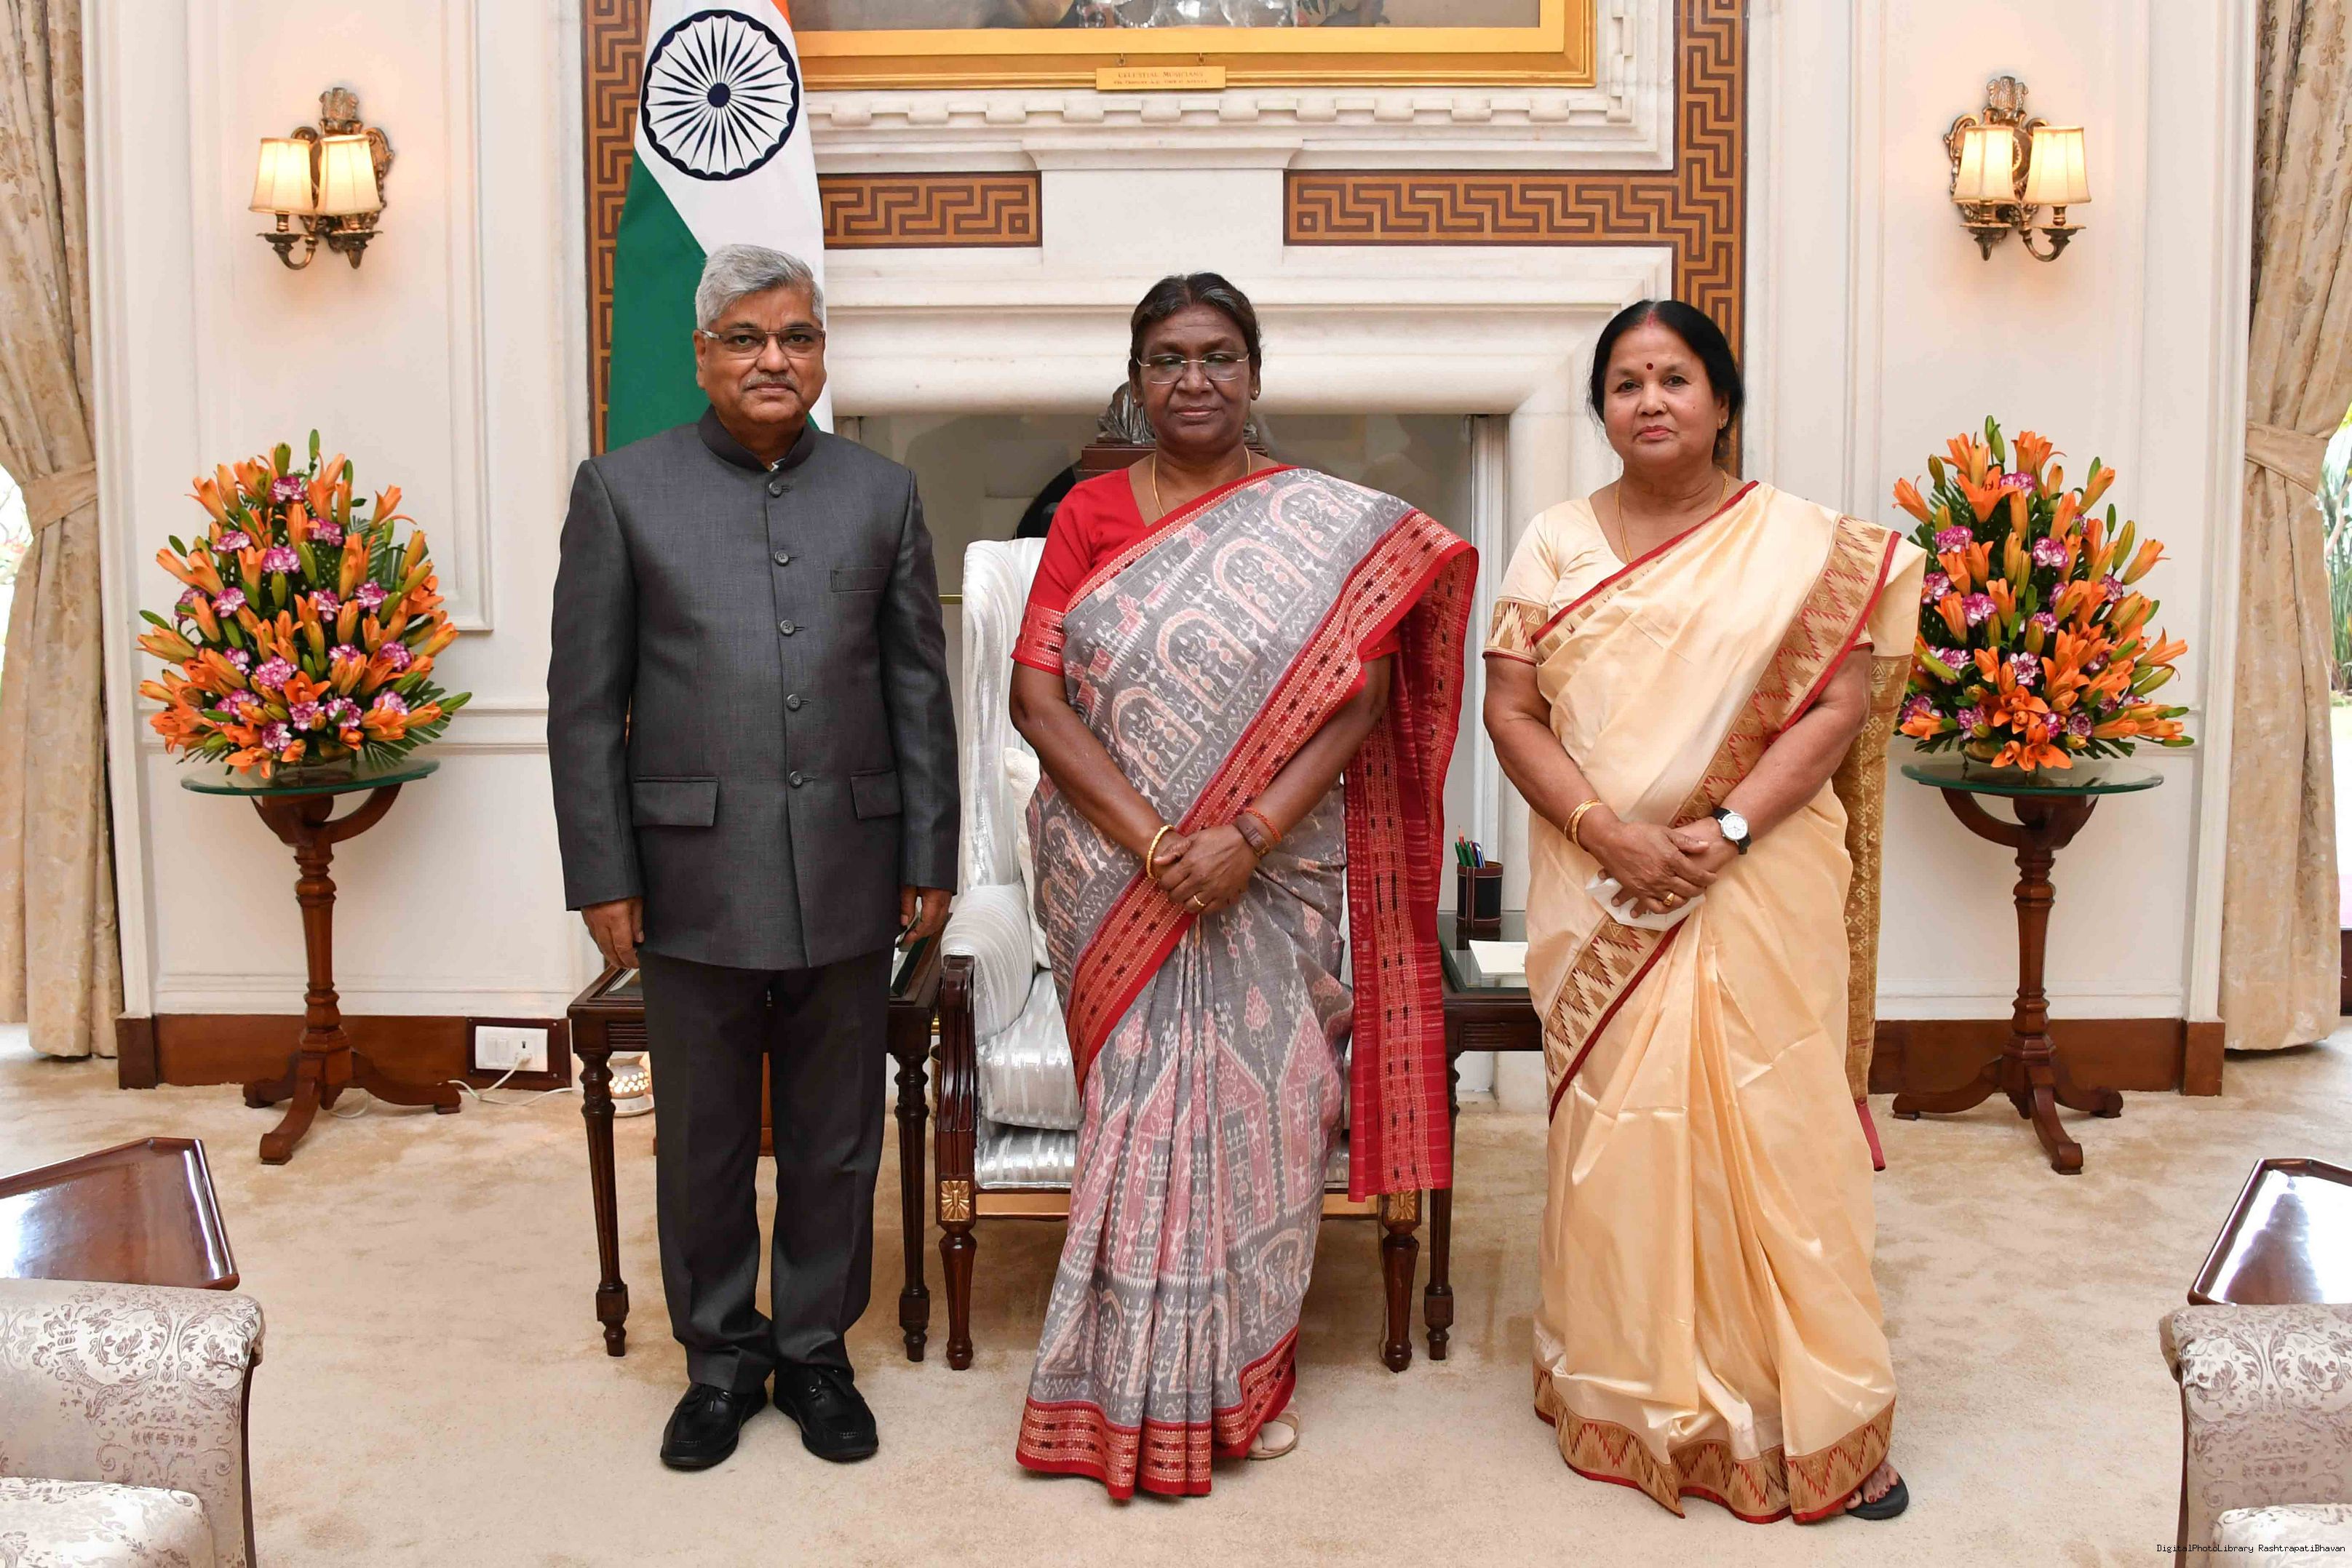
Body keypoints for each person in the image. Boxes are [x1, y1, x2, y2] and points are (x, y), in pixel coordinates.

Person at [1006, 273, 1473, 1499]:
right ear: (1136, 380)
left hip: (1272, 871)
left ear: (1255, 373)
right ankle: (1122, 1380)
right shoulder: (1090, 513)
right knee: (1138, 1123)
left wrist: (1247, 838)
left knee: (1265, 1123)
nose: (1195, 379)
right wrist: (1164, 844)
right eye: (1168, 358)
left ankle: (1248, 1381)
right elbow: (1036, 700)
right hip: (1118, 874)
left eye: (1218, 355)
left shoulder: (1317, 522)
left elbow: (1362, 697)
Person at [1482, 299, 1924, 1524]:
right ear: (1602, 410)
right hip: (1603, 883)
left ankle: (1819, 1409)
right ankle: (1629, 1397)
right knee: (1623, 1132)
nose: (1651, 401)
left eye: (1675, 378)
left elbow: (1834, 707)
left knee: (1783, 1127)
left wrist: (1725, 831)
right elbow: (1511, 709)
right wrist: (1609, 833)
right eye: (1626, 383)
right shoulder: (1556, 542)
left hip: (1763, 873)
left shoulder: (1808, 546)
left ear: (1722, 400)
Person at [548, 244, 958, 1472]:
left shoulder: (883, 494)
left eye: (797, 337)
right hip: (690, 879)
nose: (774, 358)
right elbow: (584, 705)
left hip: (851, 867)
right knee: (707, 1137)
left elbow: (919, 693)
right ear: (702, 356)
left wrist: (930, 853)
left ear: (822, 354)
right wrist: (604, 875)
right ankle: (721, 1362)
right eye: (746, 337)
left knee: (837, 1135)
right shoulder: (622, 491)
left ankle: (818, 1353)